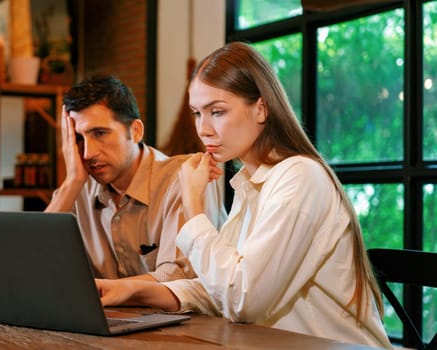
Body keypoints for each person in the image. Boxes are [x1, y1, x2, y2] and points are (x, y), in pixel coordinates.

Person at [95, 42, 393, 348]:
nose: (204, 129)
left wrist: (194, 207)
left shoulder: (300, 177)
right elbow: (220, 288)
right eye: (197, 113)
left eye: (218, 112)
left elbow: (243, 300)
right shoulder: (249, 184)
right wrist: (131, 290)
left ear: (261, 108)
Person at [45, 75, 226, 282]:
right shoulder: (79, 189)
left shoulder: (186, 178)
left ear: (136, 131)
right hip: (105, 314)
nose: (88, 153)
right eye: (78, 138)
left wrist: (100, 291)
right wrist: (72, 182)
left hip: (195, 315)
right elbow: (32, 262)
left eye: (99, 133)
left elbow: (179, 279)